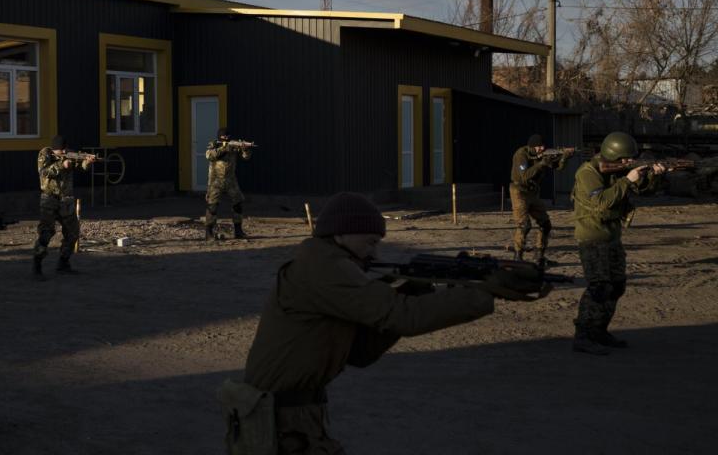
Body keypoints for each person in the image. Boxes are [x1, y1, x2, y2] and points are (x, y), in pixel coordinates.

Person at [224, 192, 547, 454]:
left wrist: (416, 287)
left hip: (297, 412)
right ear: (341, 233)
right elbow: (401, 316)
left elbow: (361, 353)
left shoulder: (328, 263)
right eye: (370, 241)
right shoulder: (325, 267)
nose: (375, 250)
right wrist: (480, 293)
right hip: (278, 416)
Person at [571, 132, 666, 356]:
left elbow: (644, 191)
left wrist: (654, 175)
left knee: (617, 285)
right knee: (599, 286)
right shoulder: (588, 172)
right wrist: (627, 179)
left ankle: (599, 331)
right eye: (624, 159)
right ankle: (583, 336)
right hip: (593, 236)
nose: (627, 163)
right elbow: (602, 203)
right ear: (612, 154)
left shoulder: (618, 171)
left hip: (612, 236)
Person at [32, 135, 96, 280]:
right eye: (61, 150)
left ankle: (63, 263)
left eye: (64, 149)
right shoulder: (45, 154)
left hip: (66, 200)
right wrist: (62, 165)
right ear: (55, 149)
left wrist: (88, 162)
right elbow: (44, 172)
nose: (64, 151)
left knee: (73, 232)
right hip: (49, 199)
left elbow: (80, 166)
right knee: (46, 233)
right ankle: (37, 266)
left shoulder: (69, 154)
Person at [509, 134, 571, 265]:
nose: (542, 148)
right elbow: (524, 176)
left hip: (533, 192)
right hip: (519, 191)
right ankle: (517, 256)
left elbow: (558, 168)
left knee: (545, 224)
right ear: (532, 146)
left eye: (543, 146)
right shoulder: (521, 154)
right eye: (539, 146)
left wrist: (564, 157)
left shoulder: (543, 154)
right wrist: (542, 163)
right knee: (524, 225)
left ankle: (539, 256)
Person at [205, 127, 252, 240]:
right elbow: (210, 156)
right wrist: (224, 148)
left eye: (227, 136)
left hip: (231, 180)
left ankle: (238, 231)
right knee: (212, 206)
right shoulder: (214, 145)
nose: (226, 138)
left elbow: (246, 157)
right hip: (216, 181)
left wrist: (245, 149)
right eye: (223, 136)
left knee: (238, 202)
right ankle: (209, 233)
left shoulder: (233, 146)